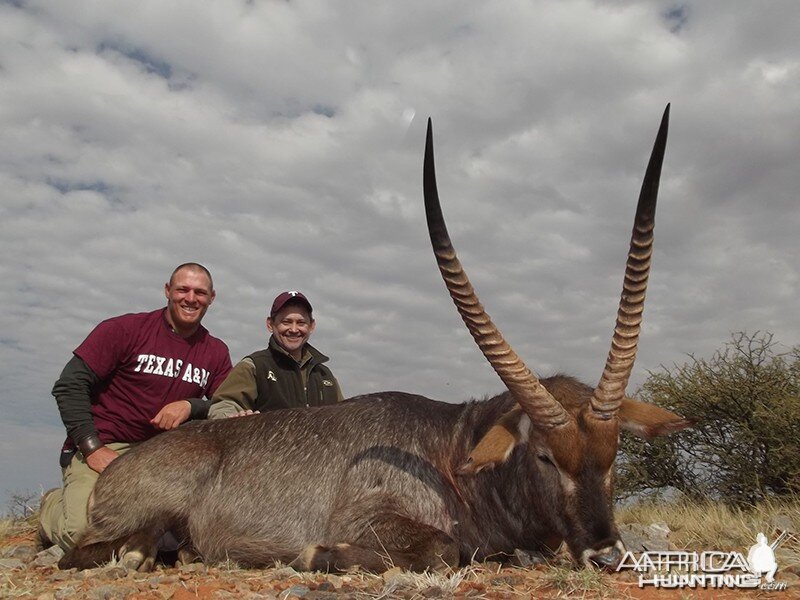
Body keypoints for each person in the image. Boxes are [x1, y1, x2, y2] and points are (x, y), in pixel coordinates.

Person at [39, 263, 232, 551]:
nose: (191, 298)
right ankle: (51, 507)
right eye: (183, 289)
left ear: (211, 298)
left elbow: (225, 405)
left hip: (163, 457)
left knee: (189, 540)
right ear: (167, 291)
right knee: (83, 537)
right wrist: (92, 447)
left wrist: (191, 406)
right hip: (107, 446)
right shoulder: (124, 330)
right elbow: (69, 385)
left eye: (200, 292)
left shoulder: (215, 351)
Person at [208, 290, 343, 419]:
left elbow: (343, 420)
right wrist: (235, 420)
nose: (294, 329)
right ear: (270, 324)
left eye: (301, 322)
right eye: (286, 322)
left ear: (312, 326)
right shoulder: (254, 366)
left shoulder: (326, 376)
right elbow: (222, 406)